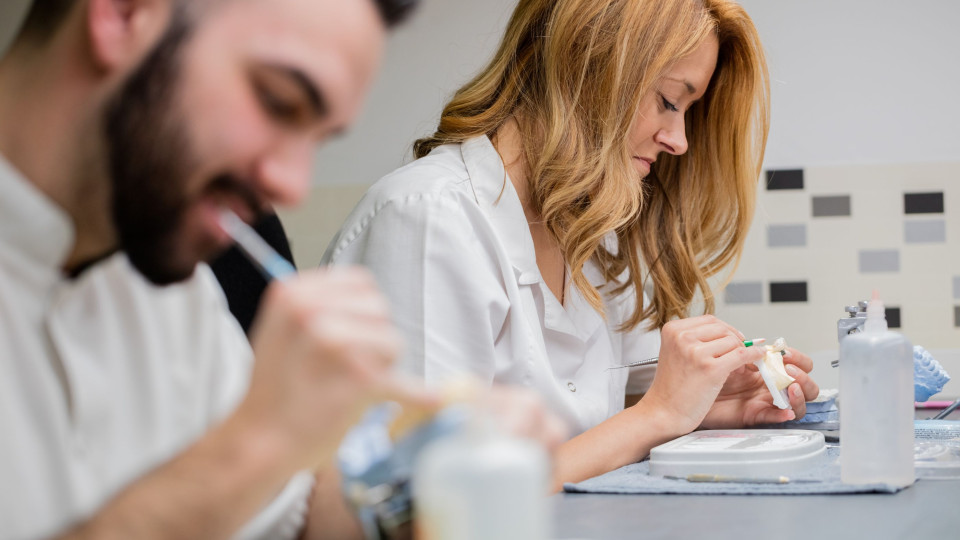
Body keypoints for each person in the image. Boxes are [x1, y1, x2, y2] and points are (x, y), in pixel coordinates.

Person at [0, 0, 563, 538]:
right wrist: (258, 444)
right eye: (278, 101)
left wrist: (427, 466)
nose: (291, 184)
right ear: (123, 13)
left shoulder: (168, 278)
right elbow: (245, 466)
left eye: (318, 138)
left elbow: (292, 511)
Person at [322, 0, 821, 488]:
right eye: (669, 102)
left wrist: (704, 403)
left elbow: (595, 423)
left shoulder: (590, 232)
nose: (679, 140)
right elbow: (430, 501)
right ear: (584, 67)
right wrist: (659, 414)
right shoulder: (428, 218)